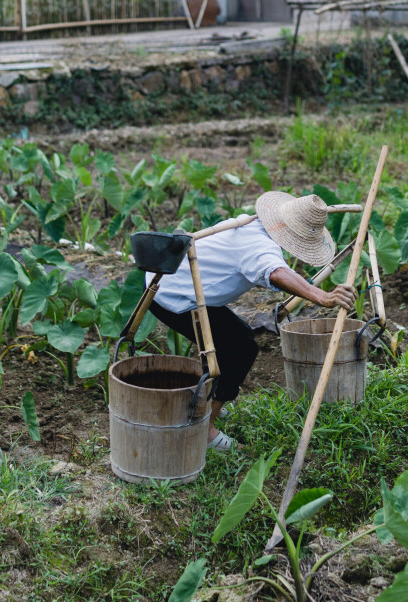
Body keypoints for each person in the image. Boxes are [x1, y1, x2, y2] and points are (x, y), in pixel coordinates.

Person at [148, 192, 357, 452]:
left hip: (168, 277)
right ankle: (205, 431)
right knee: (240, 348)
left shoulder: (251, 223)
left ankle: (207, 402)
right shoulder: (260, 248)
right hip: (174, 294)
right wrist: (323, 297)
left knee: (230, 340)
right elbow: (276, 272)